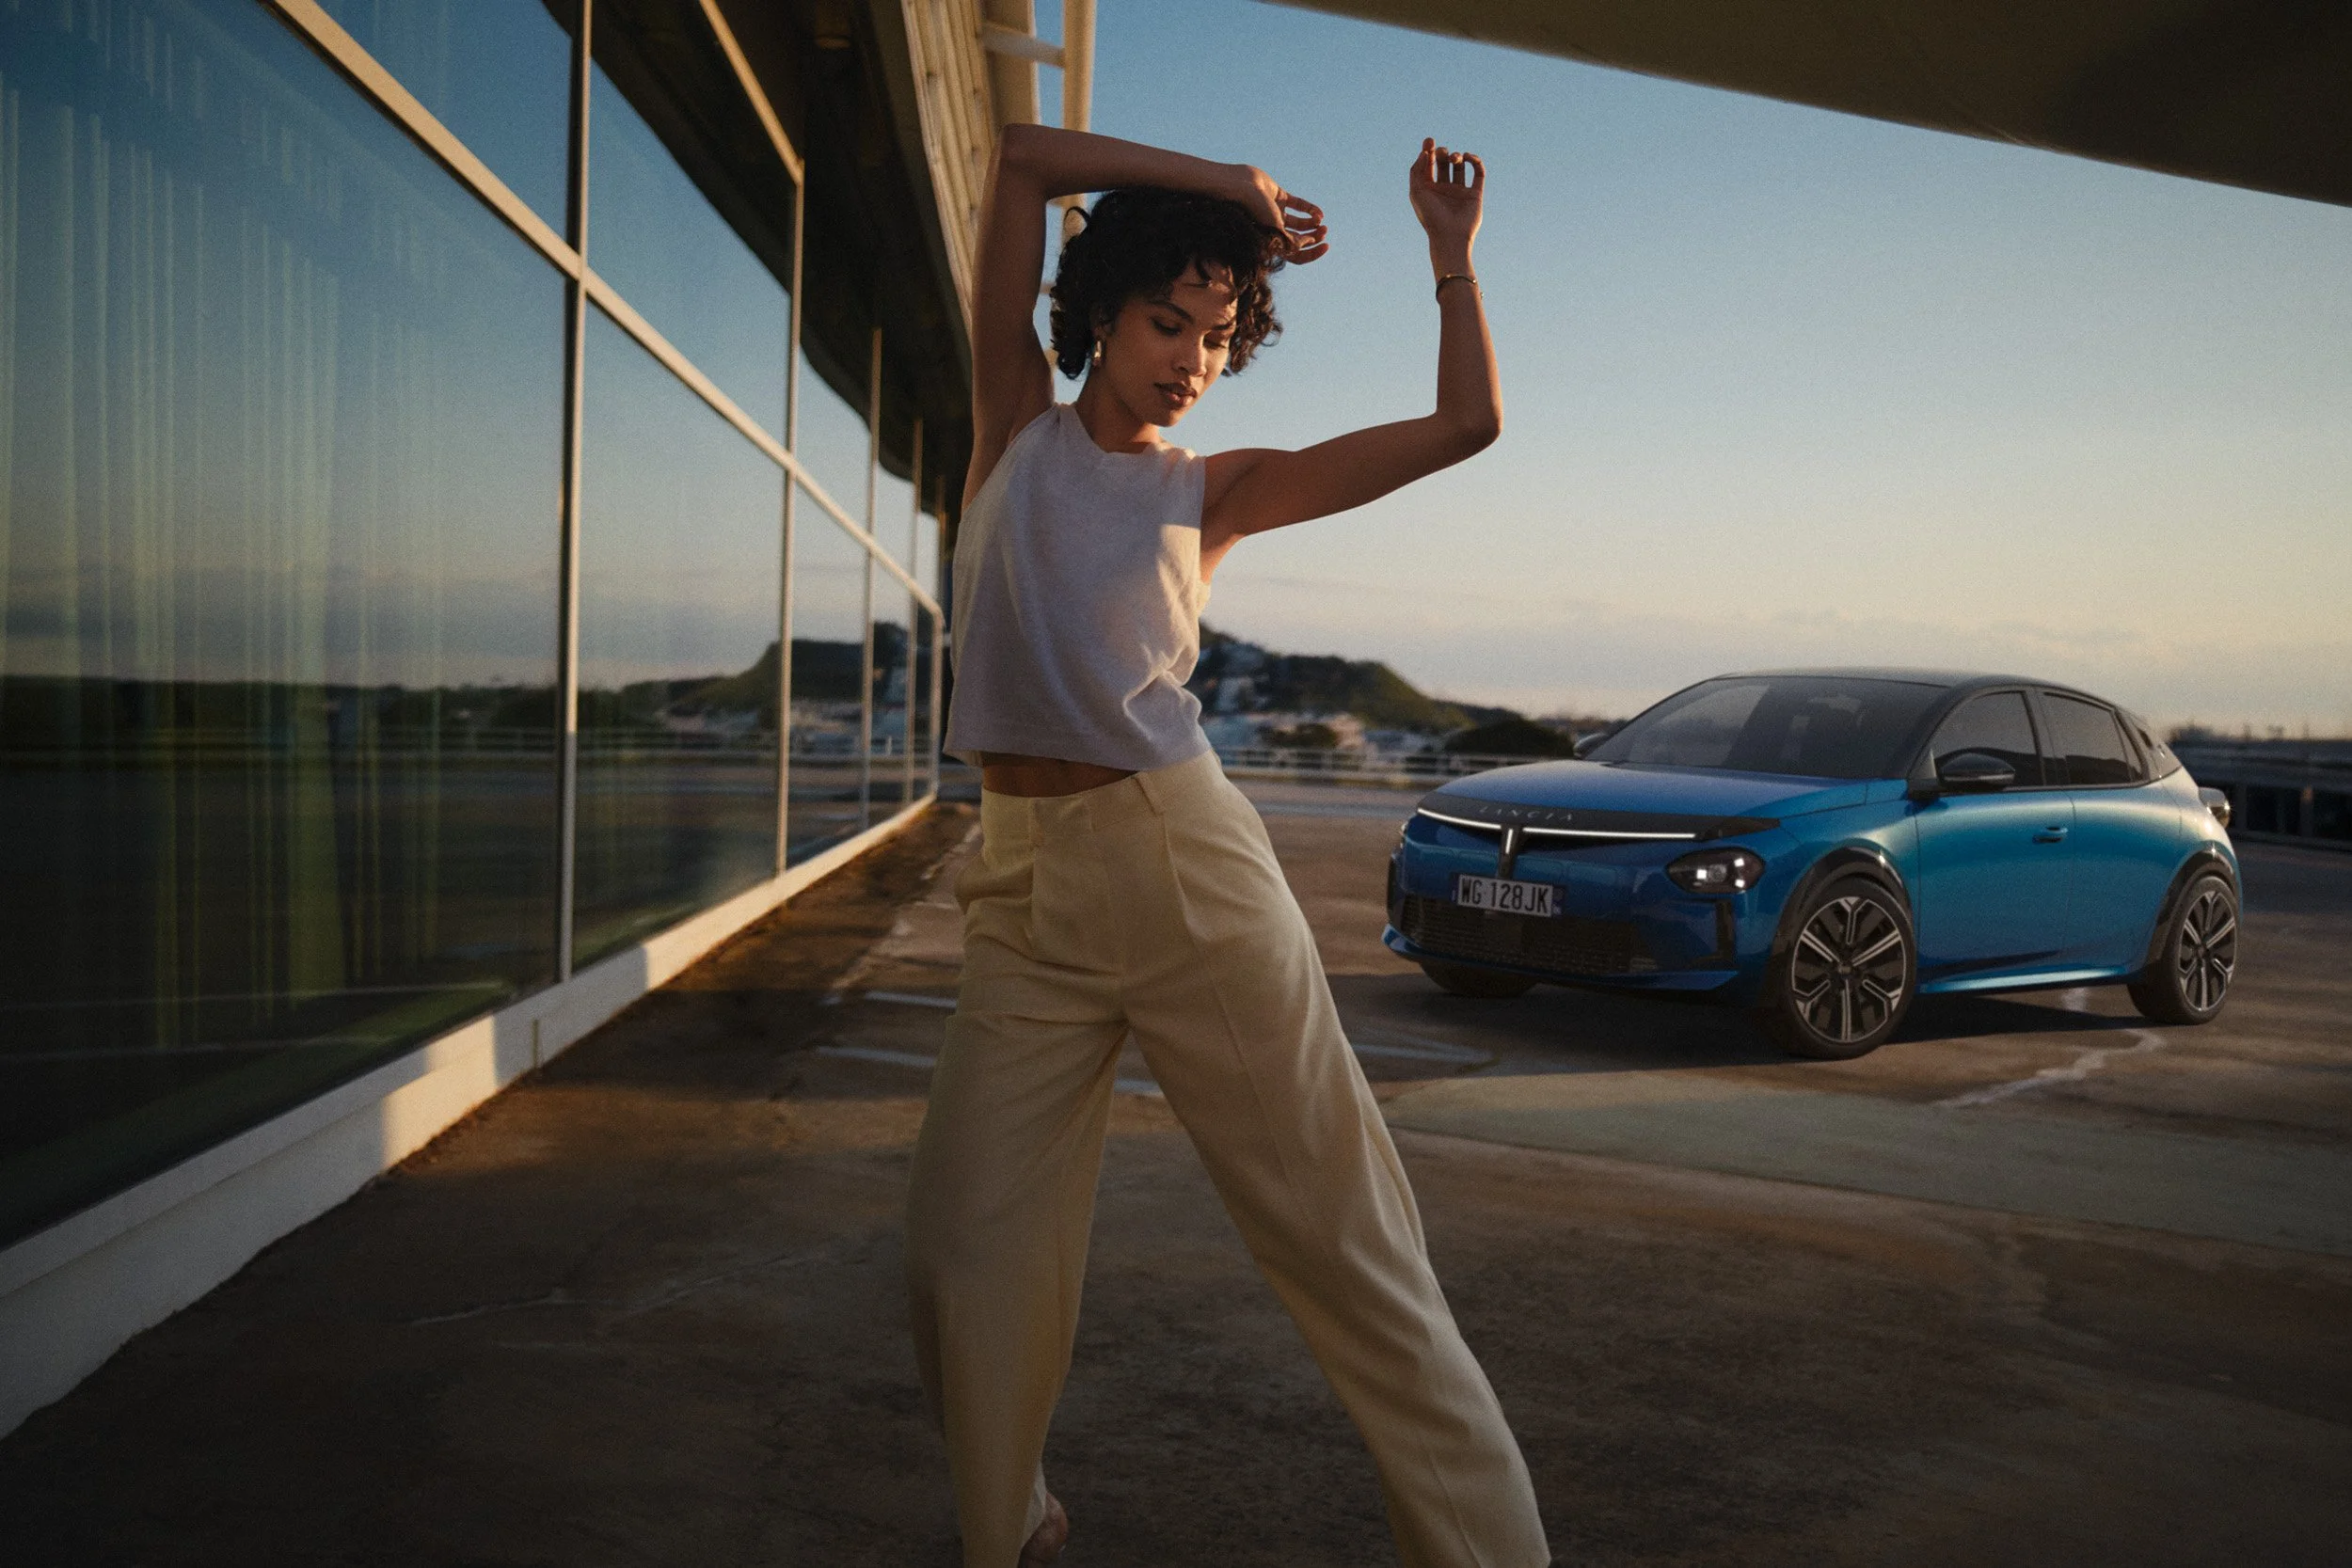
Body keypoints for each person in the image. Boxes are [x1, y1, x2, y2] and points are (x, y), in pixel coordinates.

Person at [906, 120, 1549, 1568]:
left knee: (1341, 1244)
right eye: (1164, 321)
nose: (1191, 357)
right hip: (1020, 886)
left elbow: (1465, 430)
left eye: (1218, 334)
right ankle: (1009, 1526)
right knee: (959, 1247)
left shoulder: (1214, 492)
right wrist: (1225, 191)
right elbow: (1014, 161)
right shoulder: (1010, 421)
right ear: (1097, 316)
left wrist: (1453, 266)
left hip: (1184, 870)